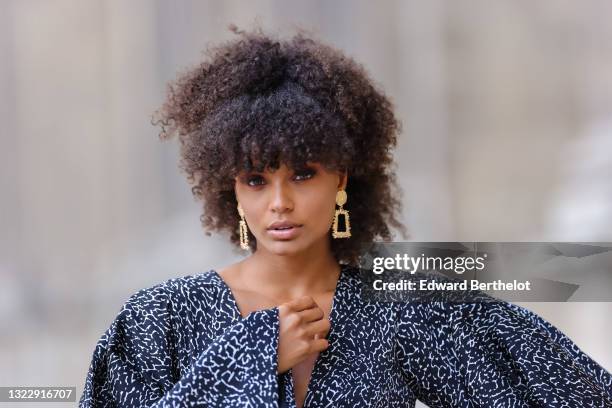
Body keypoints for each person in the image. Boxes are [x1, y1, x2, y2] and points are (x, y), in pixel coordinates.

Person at [79, 27, 612, 408]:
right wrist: (254, 357)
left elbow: (566, 388)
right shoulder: (161, 318)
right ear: (231, 191)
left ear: (343, 177)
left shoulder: (406, 306)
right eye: (256, 180)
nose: (279, 202)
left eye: (303, 174)